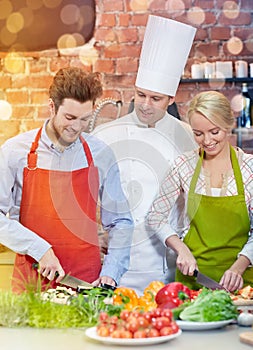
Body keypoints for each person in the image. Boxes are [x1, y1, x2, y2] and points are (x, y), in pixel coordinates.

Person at [0, 67, 133, 293]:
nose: (76, 128)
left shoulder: (100, 154)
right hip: (32, 283)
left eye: (84, 119)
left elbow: (121, 221)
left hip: (85, 284)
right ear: (52, 106)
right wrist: (39, 249)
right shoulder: (15, 151)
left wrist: (111, 272)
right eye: (70, 118)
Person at [93, 15, 197, 295]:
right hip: (119, 261)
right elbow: (88, 193)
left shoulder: (187, 135)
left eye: (156, 98)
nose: (146, 105)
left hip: (167, 261)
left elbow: (194, 197)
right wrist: (95, 233)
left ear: (171, 100)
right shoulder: (106, 135)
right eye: (140, 95)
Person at [147, 91, 253, 292]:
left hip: (242, 283)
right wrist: (181, 249)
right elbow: (155, 216)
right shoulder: (183, 165)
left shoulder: (250, 168)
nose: (207, 141)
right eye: (198, 133)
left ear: (228, 125)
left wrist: (238, 267)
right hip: (193, 280)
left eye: (214, 132)